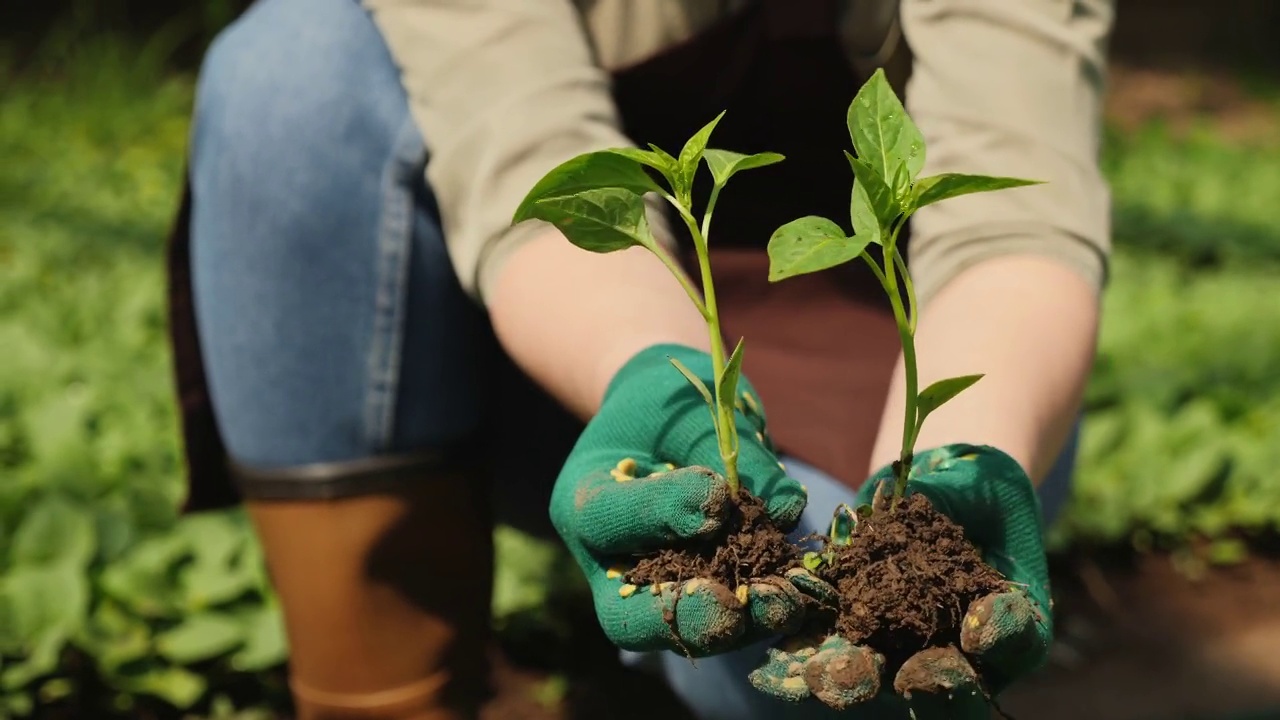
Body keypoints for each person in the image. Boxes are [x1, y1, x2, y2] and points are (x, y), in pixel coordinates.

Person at [165, 0, 1114, 718]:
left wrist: (957, 467)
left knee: (826, 649)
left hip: (904, 352)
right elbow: (526, 145)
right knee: (290, 69)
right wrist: (655, 374)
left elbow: (1014, 210)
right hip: (570, 320)